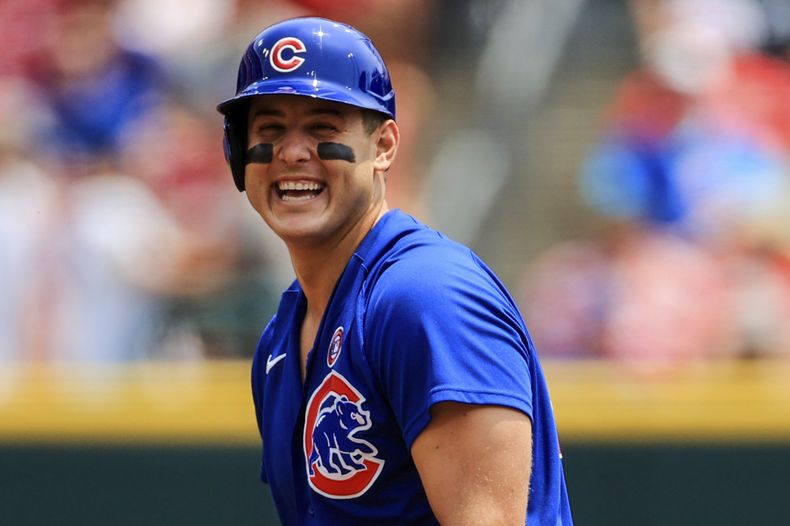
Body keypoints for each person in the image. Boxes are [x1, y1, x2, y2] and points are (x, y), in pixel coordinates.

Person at [217, 17, 573, 525]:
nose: (293, 152)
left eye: (323, 128)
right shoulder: (281, 338)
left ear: (383, 146)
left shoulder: (424, 296)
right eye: (270, 129)